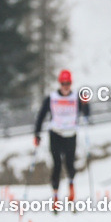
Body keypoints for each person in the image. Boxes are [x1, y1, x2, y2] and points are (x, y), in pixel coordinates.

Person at [34, 70, 90, 208]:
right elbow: (41, 115)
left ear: (71, 83)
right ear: (60, 83)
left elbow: (86, 114)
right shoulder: (52, 98)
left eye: (68, 83)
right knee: (57, 165)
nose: (66, 86)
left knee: (70, 164)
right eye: (63, 83)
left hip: (71, 134)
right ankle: (55, 196)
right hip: (55, 134)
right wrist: (37, 133)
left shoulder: (76, 97)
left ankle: (71, 187)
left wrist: (85, 104)